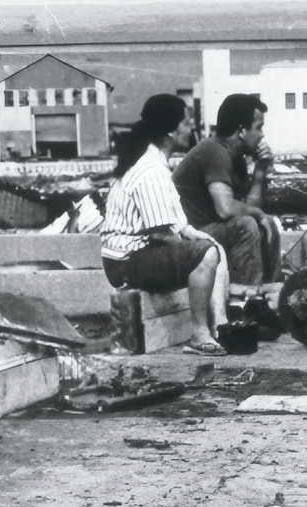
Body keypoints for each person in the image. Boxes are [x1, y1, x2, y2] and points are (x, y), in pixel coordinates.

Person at [98, 94, 230, 356]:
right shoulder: (150, 171)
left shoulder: (157, 163)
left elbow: (179, 226)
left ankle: (221, 327)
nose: (190, 128)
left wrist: (202, 239)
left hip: (137, 254)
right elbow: (161, 235)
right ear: (171, 130)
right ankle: (200, 334)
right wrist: (199, 251)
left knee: (213, 248)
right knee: (206, 254)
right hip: (124, 263)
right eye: (186, 123)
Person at [173, 93, 282, 288]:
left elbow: (248, 206)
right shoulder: (214, 152)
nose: (262, 134)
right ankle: (243, 299)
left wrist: (260, 169)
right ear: (241, 130)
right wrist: (258, 213)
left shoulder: (236, 156)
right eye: (259, 128)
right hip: (188, 236)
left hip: (208, 231)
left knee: (268, 224)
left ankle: (269, 292)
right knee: (246, 225)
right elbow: (225, 208)